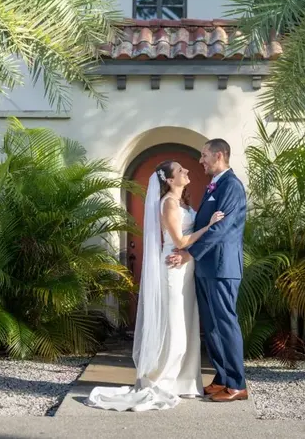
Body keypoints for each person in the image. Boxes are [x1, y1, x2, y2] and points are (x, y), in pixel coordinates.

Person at [86, 160, 224, 411]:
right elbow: (180, 241)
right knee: (175, 330)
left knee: (188, 326)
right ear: (169, 180)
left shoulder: (182, 202)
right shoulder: (169, 203)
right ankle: (162, 381)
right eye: (180, 170)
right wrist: (208, 227)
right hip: (173, 269)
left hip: (186, 270)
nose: (187, 171)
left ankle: (184, 382)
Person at [168, 139, 249, 402]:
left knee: (225, 322)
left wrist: (189, 253)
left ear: (219, 155)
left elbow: (221, 229)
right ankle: (222, 377)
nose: (201, 160)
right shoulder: (214, 185)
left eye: (204, 155)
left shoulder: (231, 186)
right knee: (212, 326)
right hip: (206, 267)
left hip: (222, 267)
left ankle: (237, 384)